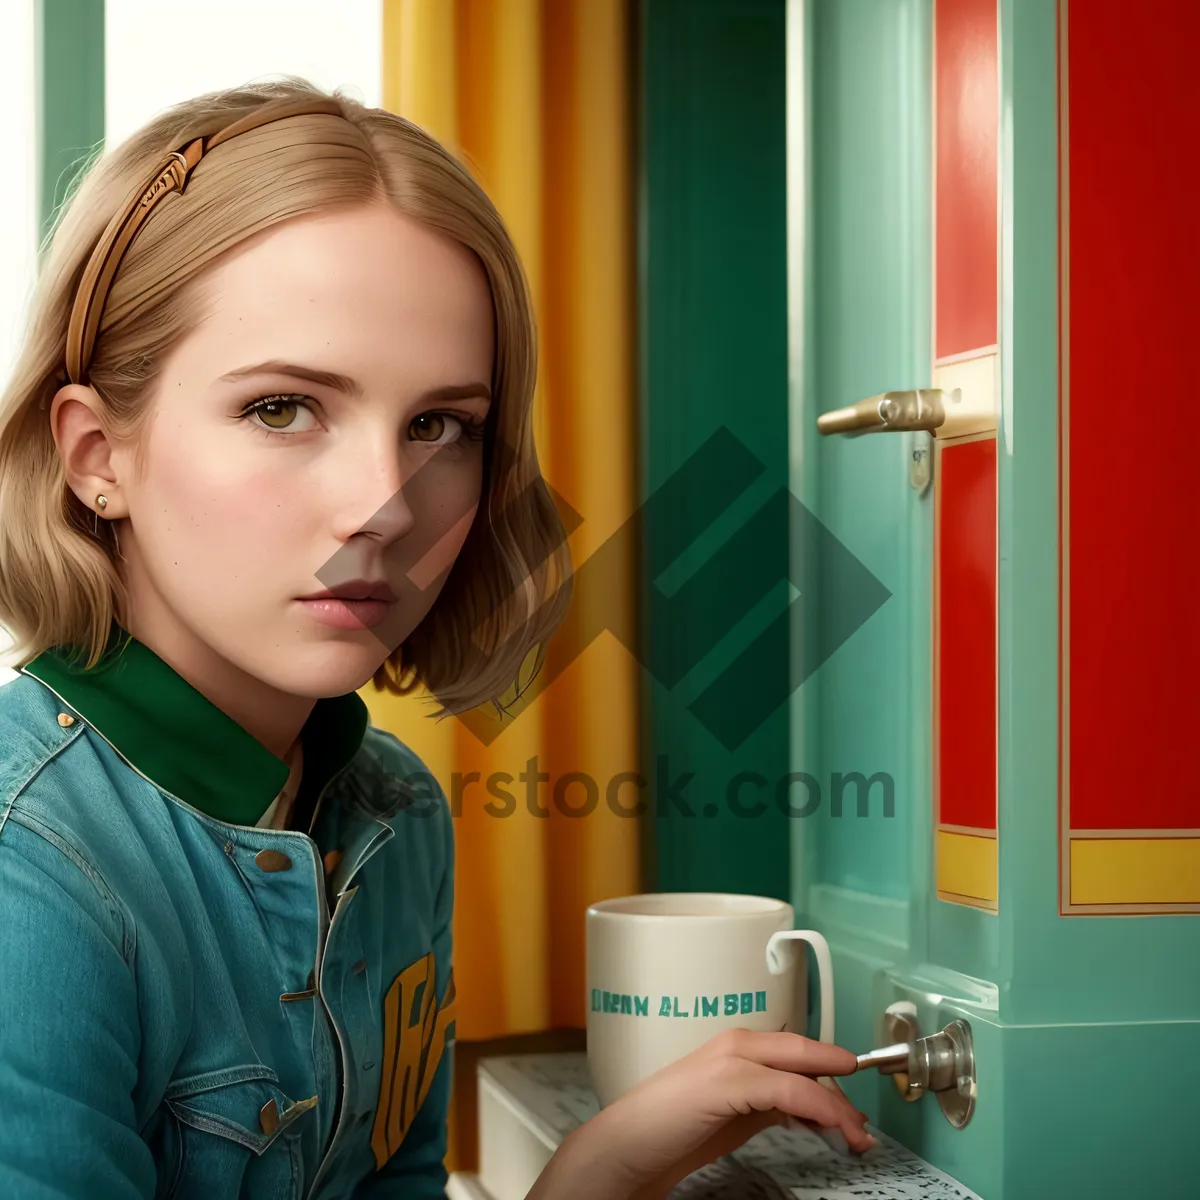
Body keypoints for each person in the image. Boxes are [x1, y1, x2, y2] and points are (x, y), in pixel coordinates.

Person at [0, 79, 873, 1200]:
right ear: (96, 455)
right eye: (282, 407)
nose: (386, 503)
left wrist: (599, 1165)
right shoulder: (31, 878)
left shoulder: (393, 813)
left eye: (439, 426)